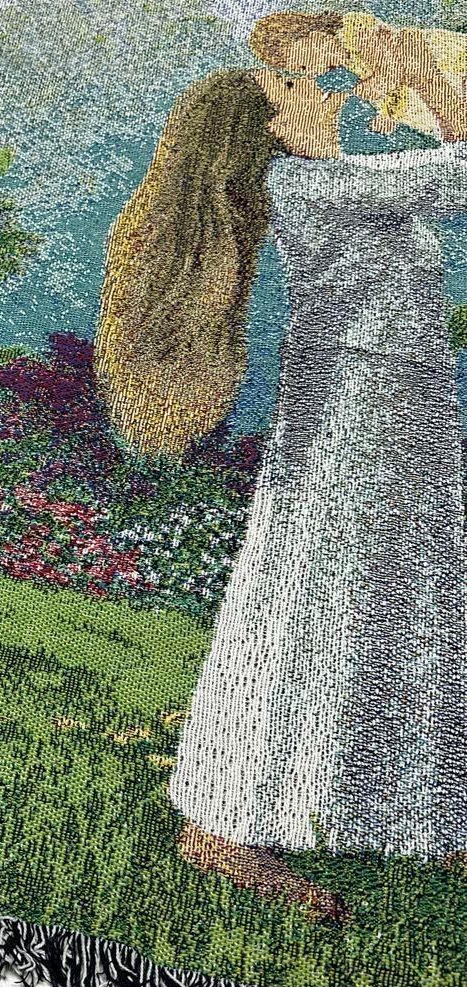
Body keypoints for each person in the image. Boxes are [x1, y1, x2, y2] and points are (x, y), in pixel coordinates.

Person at [95, 68, 467, 919]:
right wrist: (421, 73)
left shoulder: (344, 179)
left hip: (402, 408)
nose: (333, 90)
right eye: (304, 83)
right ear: (268, 126)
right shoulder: (309, 184)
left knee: (408, 604)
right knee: (311, 608)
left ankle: (419, 816)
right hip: (353, 416)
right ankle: (223, 826)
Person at [250, 10, 467, 142]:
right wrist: (388, 114)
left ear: (315, 37)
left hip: (448, 59)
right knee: (444, 127)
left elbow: (391, 69)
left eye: (305, 65)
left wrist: (367, 89)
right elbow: (395, 90)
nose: (314, 72)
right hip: (428, 80)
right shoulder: (352, 66)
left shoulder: (354, 31)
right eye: (304, 71)